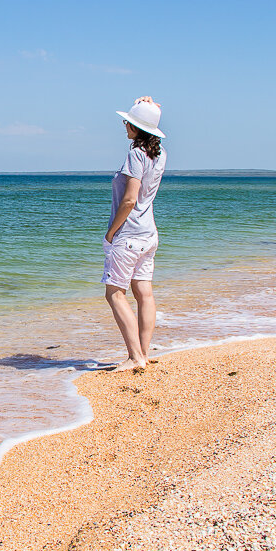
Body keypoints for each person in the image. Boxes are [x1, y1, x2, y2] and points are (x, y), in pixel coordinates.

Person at [103, 96, 167, 372]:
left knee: (115, 293)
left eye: (128, 122)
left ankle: (135, 357)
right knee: (144, 292)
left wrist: (111, 231)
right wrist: (153, 109)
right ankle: (143, 352)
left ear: (137, 128)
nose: (124, 125)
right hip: (149, 234)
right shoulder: (160, 154)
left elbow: (129, 200)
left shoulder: (136, 154)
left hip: (128, 236)